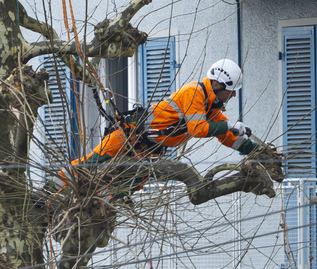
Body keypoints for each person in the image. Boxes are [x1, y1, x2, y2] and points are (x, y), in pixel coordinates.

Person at [72, 59, 261, 198]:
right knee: (92, 163)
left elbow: (227, 137)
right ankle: (54, 188)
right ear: (218, 84)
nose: (234, 95)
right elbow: (198, 129)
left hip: (146, 148)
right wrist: (229, 125)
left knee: (134, 181)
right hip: (130, 134)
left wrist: (257, 150)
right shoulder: (194, 93)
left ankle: (101, 203)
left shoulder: (210, 107)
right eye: (232, 89)